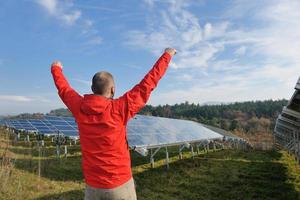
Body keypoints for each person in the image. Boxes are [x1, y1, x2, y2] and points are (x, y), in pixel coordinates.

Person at [51, 48, 177, 200]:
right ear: (113, 90)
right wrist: (167, 55)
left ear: (92, 89)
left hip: (93, 187)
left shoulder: (79, 107)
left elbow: (64, 89)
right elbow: (147, 84)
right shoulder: (120, 108)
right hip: (120, 184)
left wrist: (56, 69)